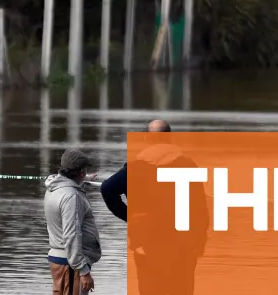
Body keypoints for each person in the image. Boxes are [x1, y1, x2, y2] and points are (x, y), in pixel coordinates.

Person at [100, 119, 208, 294]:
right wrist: (199, 241)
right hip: (182, 246)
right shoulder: (187, 165)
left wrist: (130, 217)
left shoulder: (136, 167)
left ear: (146, 139)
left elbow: (107, 189)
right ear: (170, 138)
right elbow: (199, 208)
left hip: (147, 246)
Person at [45, 148, 102, 294]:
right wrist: (83, 271)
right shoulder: (72, 197)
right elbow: (71, 234)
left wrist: (84, 179)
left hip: (62, 259)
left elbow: (68, 186)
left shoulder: (54, 186)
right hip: (70, 263)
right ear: (81, 172)